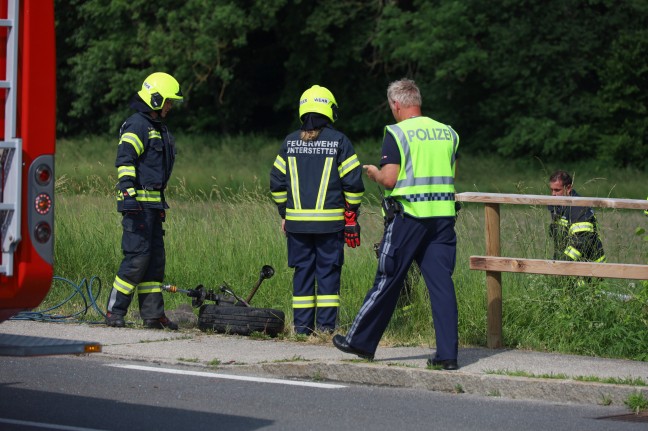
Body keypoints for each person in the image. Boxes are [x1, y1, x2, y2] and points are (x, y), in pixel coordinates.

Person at [332, 78, 460, 370]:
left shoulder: (397, 132)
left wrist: (375, 174)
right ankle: (447, 356)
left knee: (387, 278)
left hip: (408, 217)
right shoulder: (448, 133)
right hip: (442, 218)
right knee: (441, 285)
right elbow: (450, 174)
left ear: (396, 104)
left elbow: (390, 178)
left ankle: (359, 341)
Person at [270, 85, 365, 335]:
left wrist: (285, 213)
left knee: (302, 273)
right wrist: (351, 213)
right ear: (329, 110)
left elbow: (276, 182)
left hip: (297, 226)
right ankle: (325, 330)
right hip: (331, 225)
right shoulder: (339, 142)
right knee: (328, 273)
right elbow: (353, 184)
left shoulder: (290, 142)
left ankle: (301, 330)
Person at [105, 72, 184, 330]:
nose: (171, 106)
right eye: (168, 101)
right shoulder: (137, 125)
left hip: (153, 206)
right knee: (136, 259)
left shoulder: (156, 127)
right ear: (156, 99)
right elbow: (125, 159)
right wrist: (128, 193)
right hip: (137, 205)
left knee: (154, 262)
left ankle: (152, 315)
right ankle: (114, 312)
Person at [548, 170, 606, 263]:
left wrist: (562, 263)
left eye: (557, 190)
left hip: (590, 267)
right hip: (570, 264)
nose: (553, 194)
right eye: (551, 190)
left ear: (569, 188)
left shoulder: (579, 208)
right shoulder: (558, 207)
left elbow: (581, 242)